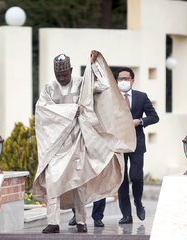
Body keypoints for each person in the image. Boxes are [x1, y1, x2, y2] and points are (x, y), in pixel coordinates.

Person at [33, 51, 136, 234]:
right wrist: (72, 110)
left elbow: (104, 86)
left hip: (78, 142)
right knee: (53, 181)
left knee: (78, 183)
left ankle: (81, 221)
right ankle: (53, 222)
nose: (62, 78)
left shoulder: (81, 83)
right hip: (57, 146)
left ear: (71, 70)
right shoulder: (49, 88)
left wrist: (94, 64)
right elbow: (42, 111)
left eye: (64, 74)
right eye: (58, 75)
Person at [116, 67, 159, 224]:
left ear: (132, 81)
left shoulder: (141, 97)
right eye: (120, 79)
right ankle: (126, 215)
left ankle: (138, 203)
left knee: (136, 177)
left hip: (137, 143)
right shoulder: (112, 98)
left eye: (125, 79)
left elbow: (154, 117)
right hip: (119, 143)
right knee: (122, 180)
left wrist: (140, 121)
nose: (122, 82)